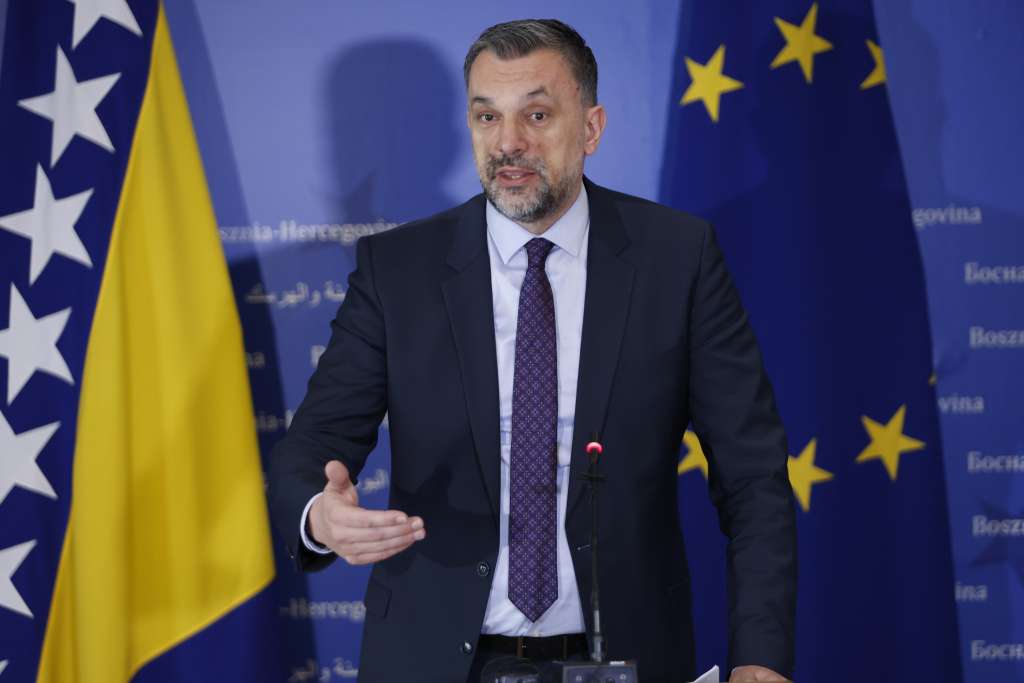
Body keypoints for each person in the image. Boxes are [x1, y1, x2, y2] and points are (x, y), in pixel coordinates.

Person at [268, 19, 796, 683]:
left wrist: (760, 657)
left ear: (592, 128)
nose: (508, 142)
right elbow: (311, 447)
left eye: (537, 115)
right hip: (435, 662)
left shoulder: (677, 259)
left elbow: (753, 477)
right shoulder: (397, 270)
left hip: (625, 659)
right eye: (487, 116)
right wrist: (320, 514)